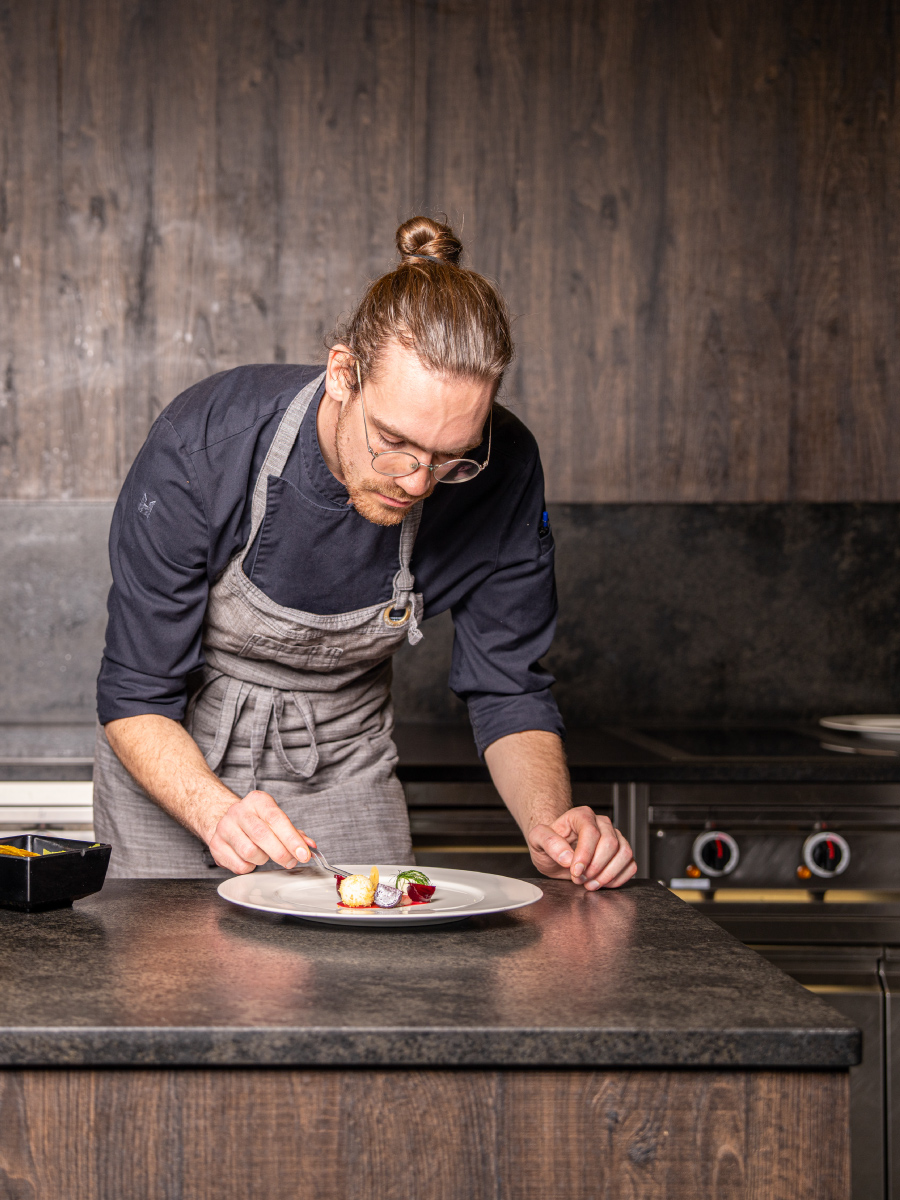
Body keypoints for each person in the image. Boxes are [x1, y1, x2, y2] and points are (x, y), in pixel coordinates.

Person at [94, 216, 636, 891]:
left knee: (369, 954)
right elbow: (136, 694)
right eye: (394, 441)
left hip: (344, 764)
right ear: (342, 373)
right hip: (172, 756)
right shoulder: (204, 443)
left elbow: (508, 686)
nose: (418, 482)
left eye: (452, 458)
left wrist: (551, 827)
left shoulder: (507, 469)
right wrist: (215, 812)